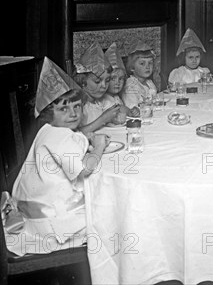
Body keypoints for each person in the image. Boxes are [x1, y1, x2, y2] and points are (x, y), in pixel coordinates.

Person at [4, 58, 109, 256]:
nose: (73, 114)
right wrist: (99, 148)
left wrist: (82, 138)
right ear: (47, 112)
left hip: (33, 215)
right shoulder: (61, 135)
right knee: (111, 217)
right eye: (64, 109)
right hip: (54, 225)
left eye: (77, 107)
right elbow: (85, 169)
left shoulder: (46, 131)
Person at [73, 42, 123, 128]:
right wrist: (103, 119)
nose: (104, 85)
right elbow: (76, 134)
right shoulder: (80, 106)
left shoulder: (98, 102)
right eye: (97, 81)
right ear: (82, 81)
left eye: (107, 80)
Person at [103, 42, 139, 119]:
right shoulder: (104, 100)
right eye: (113, 78)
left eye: (121, 78)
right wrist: (127, 111)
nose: (118, 82)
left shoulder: (116, 97)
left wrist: (133, 110)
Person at [122, 40, 158, 108]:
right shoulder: (130, 87)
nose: (147, 67)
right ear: (132, 67)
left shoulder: (149, 83)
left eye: (150, 63)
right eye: (142, 63)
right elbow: (133, 109)